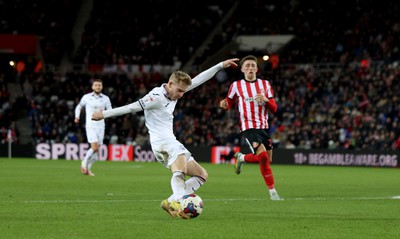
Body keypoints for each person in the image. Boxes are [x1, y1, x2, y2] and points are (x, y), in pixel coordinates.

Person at [92, 58, 239, 218]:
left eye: (183, 91)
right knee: (180, 171)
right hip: (163, 142)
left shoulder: (174, 93)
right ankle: (180, 201)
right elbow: (131, 107)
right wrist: (104, 114)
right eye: (179, 91)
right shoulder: (155, 96)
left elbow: (198, 80)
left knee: (201, 175)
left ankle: (169, 201)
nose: (181, 95)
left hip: (167, 143)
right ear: (170, 84)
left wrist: (220, 65)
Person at [219, 55, 283, 201]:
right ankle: (273, 193)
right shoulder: (236, 86)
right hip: (248, 126)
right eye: (247, 65)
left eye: (253, 66)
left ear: (257, 69)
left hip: (264, 127)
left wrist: (266, 100)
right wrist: (223, 105)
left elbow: (274, 109)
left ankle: (242, 157)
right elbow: (228, 103)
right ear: (242, 69)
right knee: (262, 156)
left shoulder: (265, 85)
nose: (250, 68)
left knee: (267, 160)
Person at [75, 78, 112, 176]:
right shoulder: (86, 97)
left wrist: (105, 114)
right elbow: (79, 107)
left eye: (99, 85)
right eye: (96, 85)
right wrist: (77, 117)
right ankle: (84, 163)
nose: (98, 87)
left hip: (101, 126)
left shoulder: (106, 98)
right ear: (92, 86)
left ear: (102, 87)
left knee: (96, 150)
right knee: (94, 147)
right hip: (90, 125)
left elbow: (110, 110)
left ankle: (88, 169)